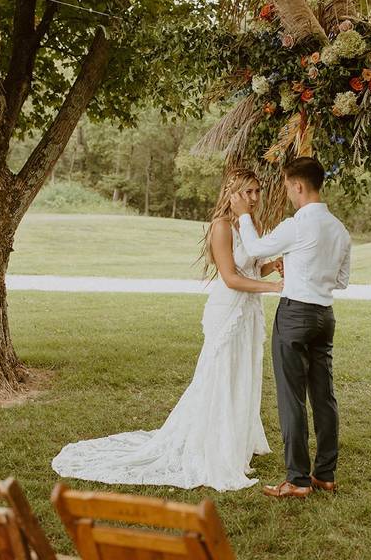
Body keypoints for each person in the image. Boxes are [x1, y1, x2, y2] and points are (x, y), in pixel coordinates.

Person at [51, 167, 283, 491]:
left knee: (242, 373)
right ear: (232, 194)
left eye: (258, 191)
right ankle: (212, 446)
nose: (255, 198)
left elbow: (251, 265)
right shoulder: (221, 227)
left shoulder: (249, 225)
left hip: (247, 312)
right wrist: (272, 289)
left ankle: (233, 442)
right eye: (249, 192)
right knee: (219, 376)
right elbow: (230, 277)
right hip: (228, 310)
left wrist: (272, 266)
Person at [230, 156, 351, 498]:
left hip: (295, 314)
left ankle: (297, 480)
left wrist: (242, 213)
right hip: (324, 317)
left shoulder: (296, 225)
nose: (287, 192)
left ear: (298, 185)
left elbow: (254, 248)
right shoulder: (339, 229)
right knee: (324, 397)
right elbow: (340, 281)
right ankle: (325, 475)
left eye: (286, 186)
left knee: (291, 398)